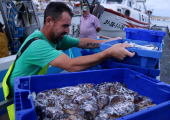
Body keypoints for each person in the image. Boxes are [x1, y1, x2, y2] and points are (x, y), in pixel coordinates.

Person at [3, 2, 135, 119]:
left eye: (69, 26)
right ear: (49, 21)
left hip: (32, 87)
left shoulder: (53, 37)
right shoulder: (37, 45)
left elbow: (82, 42)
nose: (67, 31)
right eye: (64, 26)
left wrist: (109, 42)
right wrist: (109, 53)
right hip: (19, 97)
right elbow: (72, 66)